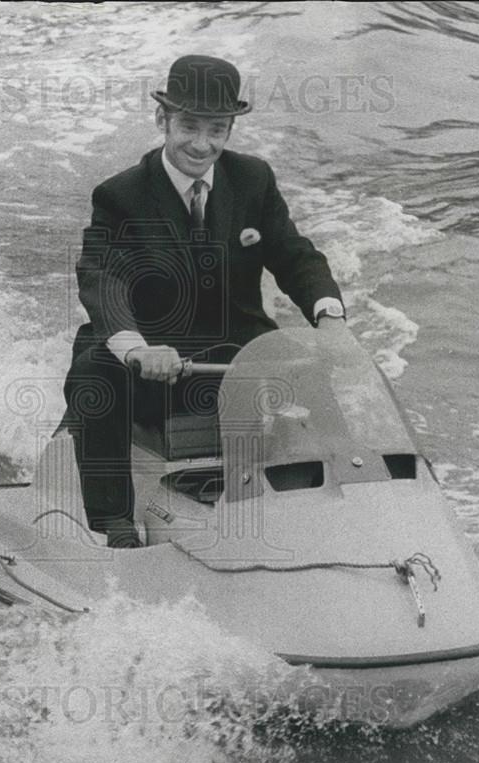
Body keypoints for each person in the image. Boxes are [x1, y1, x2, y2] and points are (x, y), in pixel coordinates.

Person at [65, 54, 345, 548]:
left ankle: (342, 512)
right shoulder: (120, 196)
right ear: (162, 121)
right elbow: (102, 279)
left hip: (234, 353)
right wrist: (137, 348)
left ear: (230, 130)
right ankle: (115, 528)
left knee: (310, 372)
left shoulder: (253, 179)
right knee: (94, 375)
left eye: (216, 129)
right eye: (188, 126)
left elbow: (296, 257)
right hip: (153, 360)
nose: (201, 143)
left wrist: (329, 317)